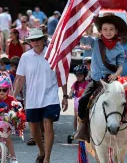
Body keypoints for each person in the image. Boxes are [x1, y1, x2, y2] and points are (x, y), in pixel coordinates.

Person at [13, 28, 68, 163]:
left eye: (38, 39)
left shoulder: (53, 55)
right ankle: (42, 151)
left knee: (48, 123)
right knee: (33, 128)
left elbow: (62, 75)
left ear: (44, 40)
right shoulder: (25, 57)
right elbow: (20, 78)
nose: (36, 42)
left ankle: (47, 158)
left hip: (50, 96)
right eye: (33, 40)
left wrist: (65, 95)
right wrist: (12, 98)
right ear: (29, 42)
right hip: (32, 98)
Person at [75, 15, 127, 140]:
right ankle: (83, 127)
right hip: (96, 81)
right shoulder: (95, 42)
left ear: (116, 31)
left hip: (111, 80)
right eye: (105, 29)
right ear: (100, 31)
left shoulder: (119, 48)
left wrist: (116, 74)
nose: (108, 32)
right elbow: (81, 39)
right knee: (82, 101)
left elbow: (120, 65)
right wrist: (83, 26)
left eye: (111, 29)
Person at [0, 76, 19, 163]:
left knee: (8, 139)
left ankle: (13, 156)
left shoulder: (11, 99)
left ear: (8, 89)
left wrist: (17, 110)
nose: (1, 92)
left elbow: (18, 107)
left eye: (4, 90)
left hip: (7, 123)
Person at [69, 65, 89, 131]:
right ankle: (76, 131)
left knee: (86, 117)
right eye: (77, 76)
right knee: (75, 117)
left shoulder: (88, 83)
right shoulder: (76, 84)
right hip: (77, 104)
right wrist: (70, 95)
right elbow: (71, 91)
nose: (78, 77)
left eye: (80, 76)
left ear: (85, 75)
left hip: (86, 103)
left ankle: (86, 130)